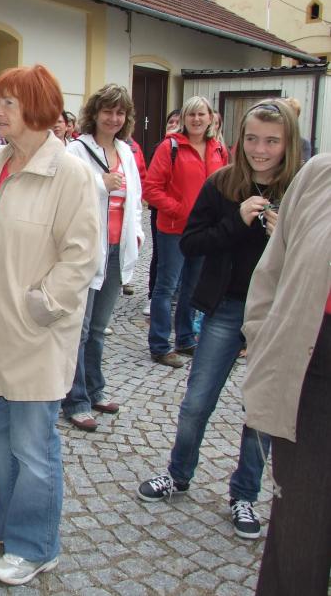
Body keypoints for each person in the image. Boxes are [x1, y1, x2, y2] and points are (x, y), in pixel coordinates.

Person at [0, 66, 100, 587]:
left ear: (36, 109)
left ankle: (36, 545)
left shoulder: (70, 173)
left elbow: (81, 257)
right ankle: (4, 519)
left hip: (32, 333)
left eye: (8, 103)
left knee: (33, 447)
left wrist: (41, 306)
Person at [137, 99, 301, 542]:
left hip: (277, 314)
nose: (260, 150)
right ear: (238, 138)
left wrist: (286, 236)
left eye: (271, 141)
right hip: (227, 308)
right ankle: (178, 474)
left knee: (261, 412)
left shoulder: (299, 189)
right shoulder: (222, 184)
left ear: (288, 143)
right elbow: (191, 243)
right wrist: (238, 222)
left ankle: (244, 494)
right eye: (252, 139)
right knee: (197, 401)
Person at [242, 153, 330, 595]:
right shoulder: (320, 176)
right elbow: (272, 271)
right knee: (299, 529)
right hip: (311, 376)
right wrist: (262, 340)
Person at [63, 84, 143, 432]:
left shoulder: (126, 151)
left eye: (120, 112)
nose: (113, 118)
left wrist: (136, 236)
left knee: (98, 329)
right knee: (79, 331)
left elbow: (135, 201)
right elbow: (67, 192)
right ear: (94, 113)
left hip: (115, 250)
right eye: (108, 111)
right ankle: (75, 400)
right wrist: (100, 184)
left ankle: (95, 390)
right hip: (86, 251)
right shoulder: (76, 150)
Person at [143, 97, 227, 368]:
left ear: (211, 117)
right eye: (191, 114)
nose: (196, 119)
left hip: (204, 231)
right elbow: (151, 189)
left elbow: (225, 186)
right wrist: (180, 210)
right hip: (173, 229)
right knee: (166, 287)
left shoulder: (218, 149)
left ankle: (185, 338)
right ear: (183, 119)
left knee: (192, 286)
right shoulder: (170, 147)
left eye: (201, 114)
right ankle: (159, 344)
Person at [144, 108, 182, 317]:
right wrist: (175, 207)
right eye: (170, 122)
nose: (173, 125)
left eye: (177, 121)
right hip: (163, 213)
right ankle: (153, 296)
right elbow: (151, 186)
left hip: (188, 218)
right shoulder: (163, 147)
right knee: (160, 256)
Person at [284, 96, 312, 163]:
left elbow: (303, 165)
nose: (289, 118)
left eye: (292, 115)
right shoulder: (270, 139)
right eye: (286, 114)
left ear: (297, 117)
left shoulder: (303, 144)